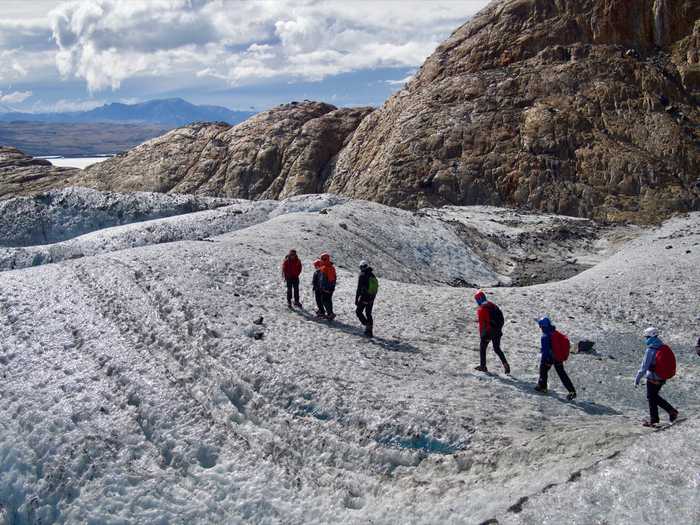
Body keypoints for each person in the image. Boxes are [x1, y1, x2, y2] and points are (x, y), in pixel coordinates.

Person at [635, 327, 678, 427]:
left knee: (651, 397)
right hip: (662, 377)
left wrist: (637, 379)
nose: (645, 339)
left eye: (646, 337)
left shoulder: (650, 349)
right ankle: (668, 413)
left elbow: (644, 367)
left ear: (649, 337)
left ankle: (659, 418)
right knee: (654, 396)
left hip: (653, 378)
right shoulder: (662, 346)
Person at [534, 317, 576, 400]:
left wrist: (546, 361)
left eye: (540, 326)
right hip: (558, 357)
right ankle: (572, 391)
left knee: (543, 368)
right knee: (562, 374)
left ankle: (542, 387)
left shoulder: (545, 336)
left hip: (551, 357)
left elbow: (545, 352)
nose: (540, 328)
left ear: (543, 326)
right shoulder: (555, 332)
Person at [473, 290, 510, 374]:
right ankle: (505, 364)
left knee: (483, 347)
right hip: (497, 331)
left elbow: (483, 324)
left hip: (489, 332)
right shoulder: (492, 305)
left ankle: (483, 366)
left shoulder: (481, 309)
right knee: (497, 348)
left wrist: (483, 335)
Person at [355, 260, 378, 337]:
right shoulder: (372, 275)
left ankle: (367, 325)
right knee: (368, 313)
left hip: (365, 297)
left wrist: (356, 298)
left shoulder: (362, 275)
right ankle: (369, 331)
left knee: (358, 311)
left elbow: (359, 288)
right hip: (372, 297)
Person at [319, 253, 336, 320]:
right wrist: (332, 287)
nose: (322, 260)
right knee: (328, 300)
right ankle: (330, 313)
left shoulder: (325, 268)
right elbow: (334, 278)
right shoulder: (332, 267)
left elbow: (323, 279)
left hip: (326, 288)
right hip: (331, 287)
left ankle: (330, 313)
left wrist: (324, 288)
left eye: (323, 259)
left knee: (324, 300)